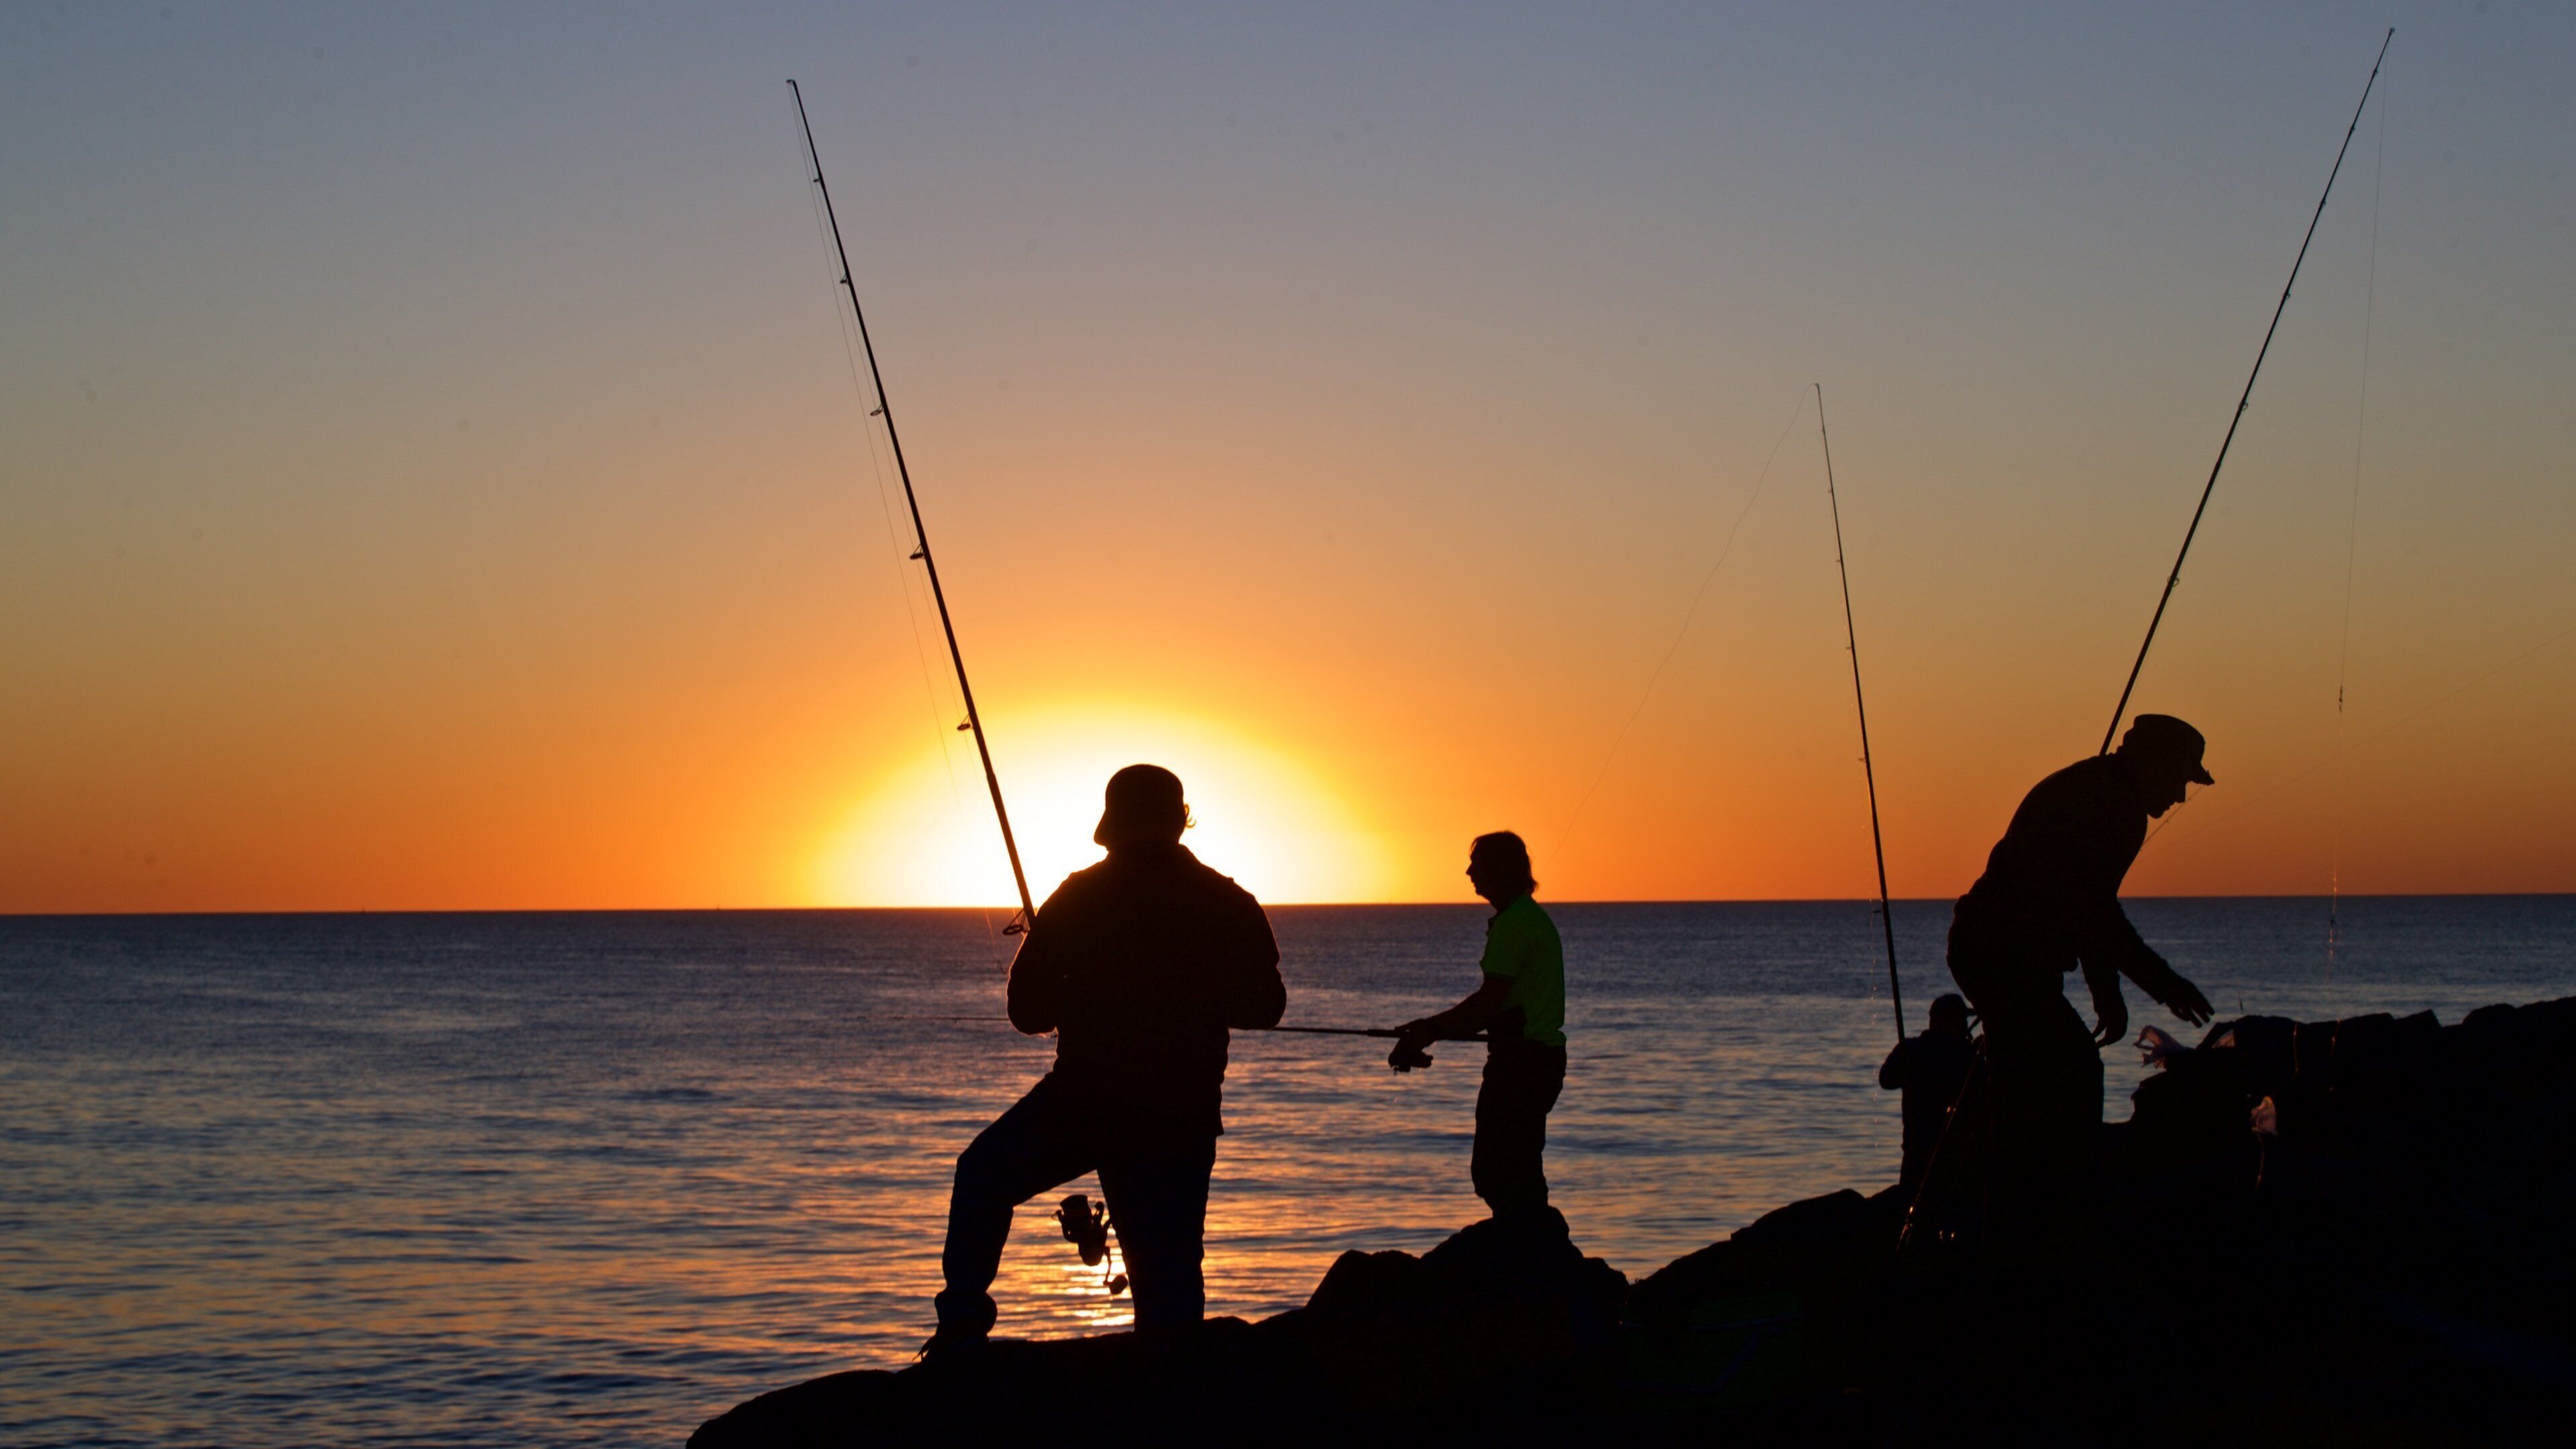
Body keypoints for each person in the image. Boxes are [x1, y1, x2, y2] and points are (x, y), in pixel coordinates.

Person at [927, 765, 1285, 1356]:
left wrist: (1077, 983)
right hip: (1181, 1112)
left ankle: (961, 1328)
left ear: (1114, 826)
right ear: (1178, 821)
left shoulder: (1080, 895)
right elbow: (1267, 1006)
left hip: (1085, 1100)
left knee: (982, 1177)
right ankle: (1174, 1400)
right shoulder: (1228, 899)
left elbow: (1027, 1013)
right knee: (1168, 1275)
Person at [1945, 714, 2218, 1195]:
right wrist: (2161, 985)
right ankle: (2039, 1207)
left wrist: (2107, 989)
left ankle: (2016, 1203)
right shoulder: (2118, 808)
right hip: (2003, 956)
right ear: (2153, 763)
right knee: (2069, 1073)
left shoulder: (2096, 787)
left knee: (2036, 1080)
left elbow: (2089, 909)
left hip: (1993, 951)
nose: (2179, 797)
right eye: (2179, 779)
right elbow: (2095, 914)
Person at [1387, 831, 1566, 1221]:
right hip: (1531, 1060)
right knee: (1509, 1172)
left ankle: (1538, 1255)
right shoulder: (1522, 918)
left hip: (1524, 1064)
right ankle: (1539, 1253)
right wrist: (1428, 1030)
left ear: (1502, 869)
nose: (1469, 871)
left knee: (1500, 1173)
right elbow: (1497, 1009)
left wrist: (1426, 1031)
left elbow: (1488, 1003)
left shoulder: (1516, 923)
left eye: (1478, 863)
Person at [1879, 992, 1977, 1193]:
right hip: (1953, 1158)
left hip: (1915, 1155)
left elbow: (1886, 1080)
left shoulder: (1912, 1049)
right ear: (1952, 1022)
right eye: (1961, 1020)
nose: (1965, 1027)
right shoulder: (1963, 1054)